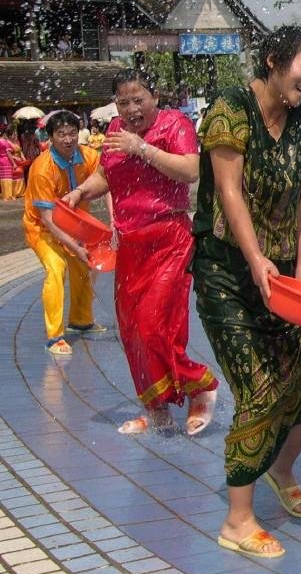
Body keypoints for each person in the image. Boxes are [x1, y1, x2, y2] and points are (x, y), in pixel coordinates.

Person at [191, 26, 301, 559]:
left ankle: (281, 466)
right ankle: (237, 520)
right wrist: (254, 259)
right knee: (259, 389)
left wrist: (298, 268)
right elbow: (227, 190)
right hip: (226, 271)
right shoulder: (231, 108)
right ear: (275, 59)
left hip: (278, 276)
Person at [64, 69, 219, 435]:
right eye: (123, 102)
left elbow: (191, 170)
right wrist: (81, 192)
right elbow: (108, 174)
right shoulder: (116, 131)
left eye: (139, 100)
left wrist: (143, 148)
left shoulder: (173, 124)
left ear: (155, 97)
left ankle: (202, 387)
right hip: (131, 244)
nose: (132, 109)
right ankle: (156, 410)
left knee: (154, 326)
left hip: (169, 239)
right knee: (132, 332)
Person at [22, 111, 107, 355]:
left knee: (84, 267)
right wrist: (76, 246)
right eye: (61, 135)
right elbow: (48, 220)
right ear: (50, 137)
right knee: (56, 267)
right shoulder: (42, 169)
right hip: (41, 228)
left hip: (74, 224)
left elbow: (107, 182)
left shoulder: (88, 156)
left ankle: (81, 321)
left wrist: (113, 220)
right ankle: (54, 336)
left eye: (72, 133)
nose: (68, 140)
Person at [0, 124, 22, 200]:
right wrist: (14, 163)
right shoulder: (4, 142)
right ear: (4, 133)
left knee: (4, 178)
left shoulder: (1, 141)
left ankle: (6, 195)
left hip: (2, 161)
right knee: (8, 178)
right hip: (7, 161)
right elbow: (8, 153)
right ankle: (8, 195)